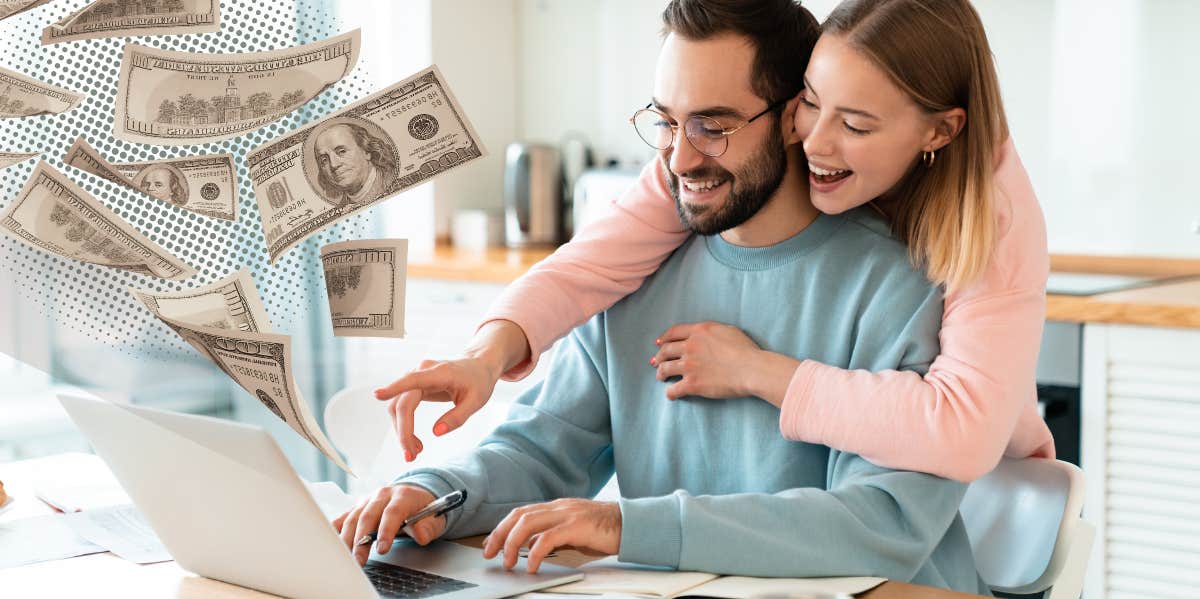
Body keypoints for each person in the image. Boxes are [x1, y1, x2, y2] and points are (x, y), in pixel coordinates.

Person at [337, 2, 984, 591]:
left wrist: (628, 527)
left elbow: (878, 521)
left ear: (795, 117)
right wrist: (435, 492)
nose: (678, 159)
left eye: (713, 125)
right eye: (667, 122)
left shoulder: (899, 282)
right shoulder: (639, 266)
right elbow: (541, 450)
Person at [313, 122, 396, 206]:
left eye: (342, 151)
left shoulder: (393, 181)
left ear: (366, 151)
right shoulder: (342, 209)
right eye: (324, 160)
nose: (334, 164)